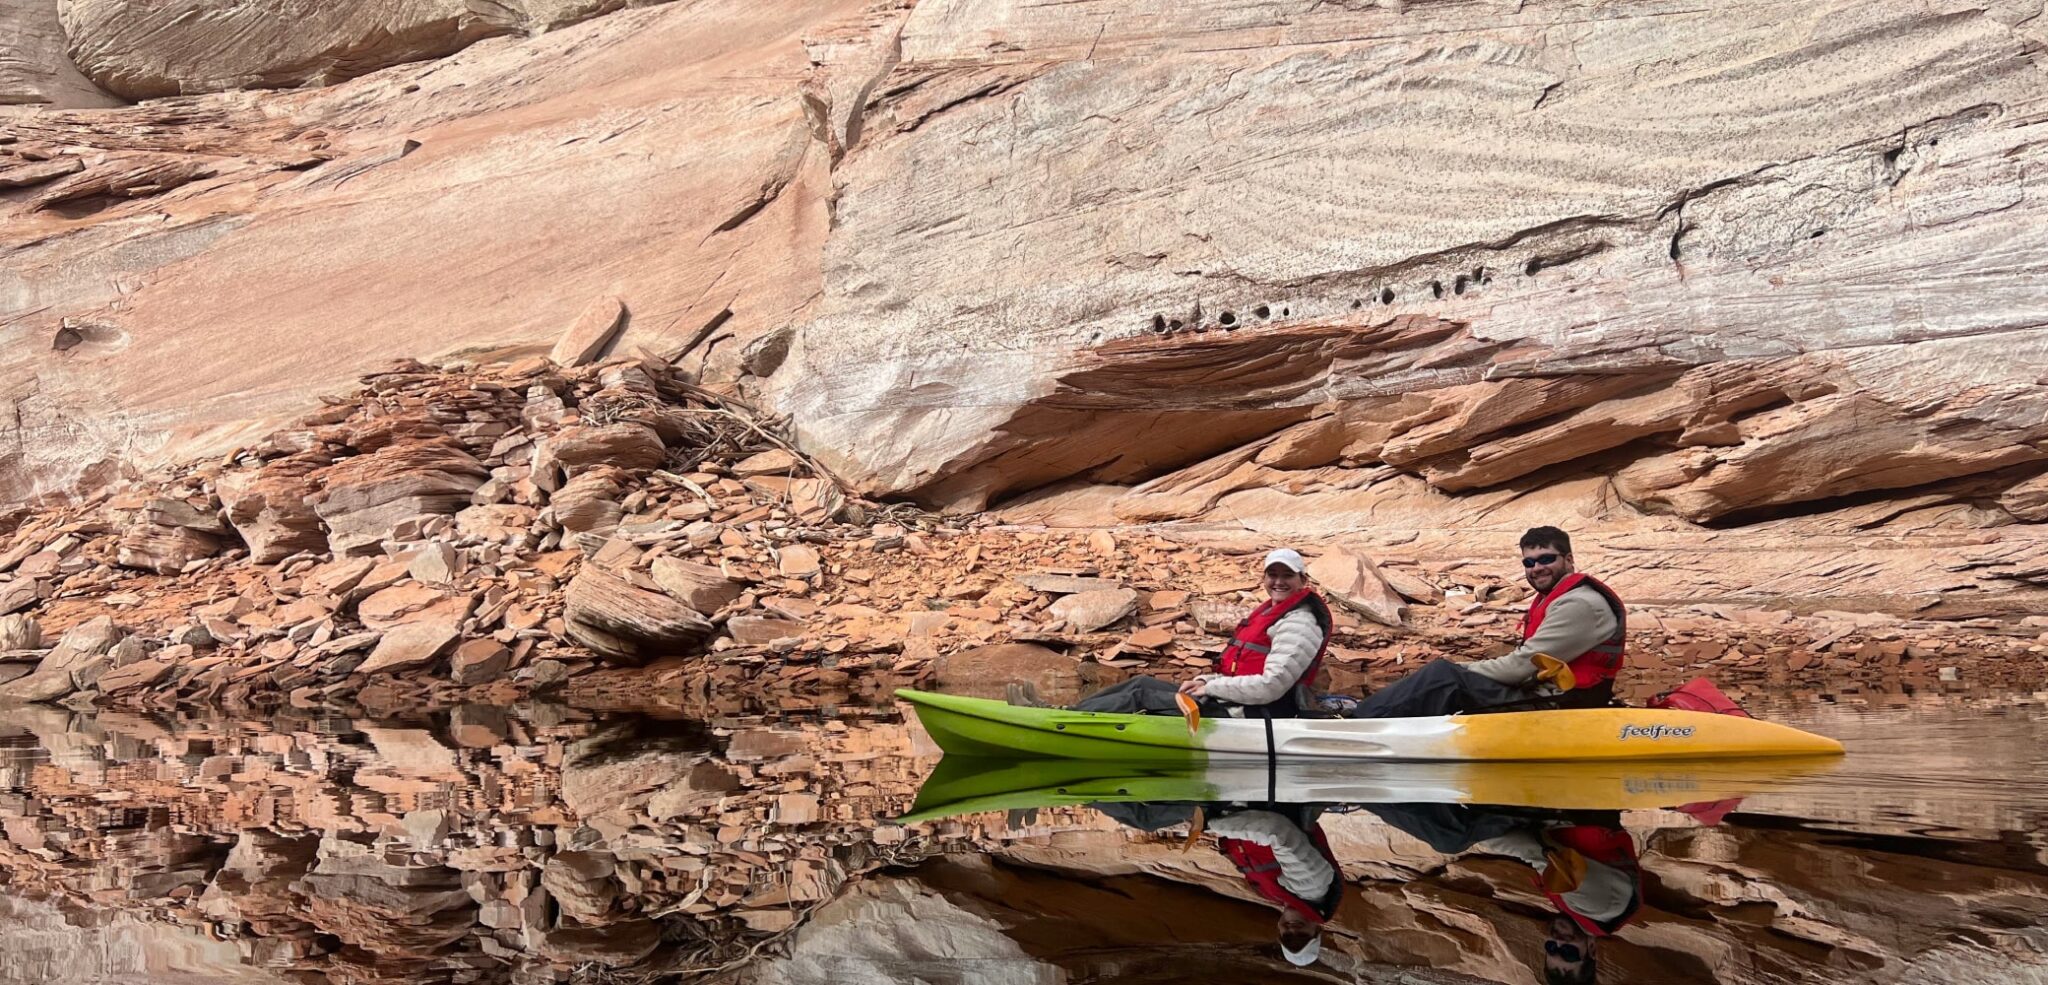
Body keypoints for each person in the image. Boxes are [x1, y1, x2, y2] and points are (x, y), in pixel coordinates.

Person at [1350, 526, 1625, 719]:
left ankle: (1360, 721)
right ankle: (1372, 715)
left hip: (1558, 707)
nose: (1536, 568)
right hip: (1548, 697)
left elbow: (1518, 667)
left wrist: (1461, 670)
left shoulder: (1579, 604)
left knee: (1444, 676)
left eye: (1546, 559)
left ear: (1569, 560)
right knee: (1445, 675)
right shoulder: (1561, 598)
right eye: (1529, 562)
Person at [1363, 801, 1641, 984]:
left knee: (1458, 828)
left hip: (1558, 816)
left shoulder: (1586, 914)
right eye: (1568, 952)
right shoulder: (1600, 908)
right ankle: (1370, 790)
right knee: (1451, 837)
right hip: (1565, 809)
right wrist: (1480, 839)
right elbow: (1539, 854)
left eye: (1551, 948)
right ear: (1591, 949)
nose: (1557, 941)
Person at [1072, 548, 1332, 716]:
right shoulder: (1274, 612)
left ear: (1303, 581)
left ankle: (1067, 723)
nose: (1278, 582)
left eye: (1287, 575)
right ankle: (1071, 714)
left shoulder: (1299, 622)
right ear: (1263, 578)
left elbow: (1271, 687)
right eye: (1272, 574)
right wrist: (1206, 682)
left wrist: (1213, 687)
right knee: (1141, 683)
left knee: (1141, 697)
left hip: (1255, 712)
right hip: (1236, 700)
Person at [1089, 799, 1343, 968]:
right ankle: (1079, 785)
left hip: (1240, 811)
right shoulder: (1312, 886)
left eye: (1287, 936)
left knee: (1152, 810)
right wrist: (1209, 824)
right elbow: (1277, 831)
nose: (1292, 929)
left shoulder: (1280, 895)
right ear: (1316, 931)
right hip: (1253, 804)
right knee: (1144, 817)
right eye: (1301, 935)